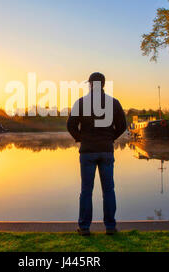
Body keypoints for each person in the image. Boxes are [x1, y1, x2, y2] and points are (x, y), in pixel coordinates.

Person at [67, 72, 127, 236]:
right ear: (104, 85)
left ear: (90, 84)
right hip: (106, 150)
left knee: (86, 190)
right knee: (109, 190)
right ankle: (110, 227)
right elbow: (122, 126)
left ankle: (85, 228)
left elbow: (70, 126)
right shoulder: (113, 103)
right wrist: (110, 138)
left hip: (87, 151)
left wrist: (81, 138)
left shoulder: (81, 103)